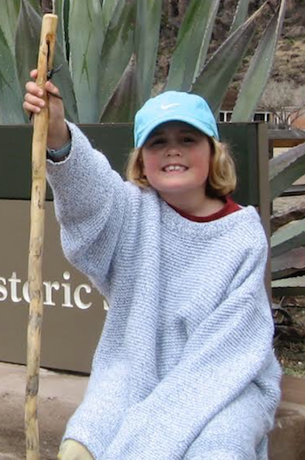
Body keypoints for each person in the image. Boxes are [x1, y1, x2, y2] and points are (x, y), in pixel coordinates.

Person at [23, 77, 281, 460]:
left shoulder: (241, 236)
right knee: (81, 446)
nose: (172, 151)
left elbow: (230, 350)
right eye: (158, 142)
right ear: (143, 160)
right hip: (135, 366)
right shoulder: (134, 210)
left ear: (213, 154)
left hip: (224, 382)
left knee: (218, 448)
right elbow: (90, 192)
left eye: (187, 140)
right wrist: (58, 131)